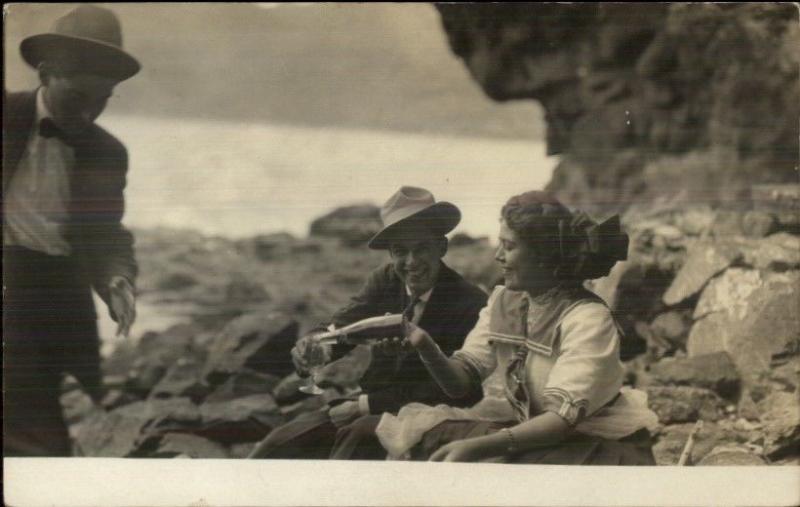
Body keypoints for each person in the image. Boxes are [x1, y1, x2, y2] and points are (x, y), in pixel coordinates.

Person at [391, 191, 658, 464]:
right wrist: (424, 345)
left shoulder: (588, 318)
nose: (497, 256)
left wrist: (477, 448)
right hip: (534, 434)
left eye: (508, 246)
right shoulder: (504, 302)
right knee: (428, 438)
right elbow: (460, 384)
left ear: (543, 254)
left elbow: (559, 421)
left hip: (591, 443)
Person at [248, 186, 488, 460]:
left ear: (441, 247)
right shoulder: (386, 279)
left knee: (353, 442)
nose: (411, 263)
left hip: (429, 415)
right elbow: (343, 325)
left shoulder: (470, 303)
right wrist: (317, 346)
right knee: (279, 442)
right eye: (400, 251)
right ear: (390, 254)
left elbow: (458, 391)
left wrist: (365, 405)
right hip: (367, 403)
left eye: (421, 249)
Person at [3, 5, 140, 456]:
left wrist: (117, 279)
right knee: (35, 428)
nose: (89, 113)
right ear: (46, 72)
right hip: (9, 284)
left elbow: (107, 234)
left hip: (65, 296)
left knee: (80, 421)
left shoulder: (108, 153)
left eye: (103, 100)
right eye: (79, 96)